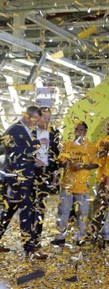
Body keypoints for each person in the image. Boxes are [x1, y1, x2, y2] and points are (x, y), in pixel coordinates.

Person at [0, 106, 47, 258]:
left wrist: (36, 161)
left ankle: (29, 246)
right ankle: (29, 247)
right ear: (28, 116)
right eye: (35, 120)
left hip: (25, 177)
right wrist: (37, 143)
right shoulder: (14, 130)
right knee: (27, 210)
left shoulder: (27, 130)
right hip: (17, 179)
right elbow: (16, 153)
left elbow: (25, 155)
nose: (36, 124)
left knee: (10, 209)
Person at [50, 122, 98, 246]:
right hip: (67, 185)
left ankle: (80, 237)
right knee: (63, 211)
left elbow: (96, 164)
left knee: (82, 212)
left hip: (82, 185)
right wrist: (69, 165)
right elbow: (60, 162)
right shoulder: (67, 145)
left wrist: (82, 166)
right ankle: (60, 236)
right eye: (77, 129)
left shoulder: (91, 147)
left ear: (86, 131)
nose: (79, 131)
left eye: (81, 129)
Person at [34, 106, 61, 246]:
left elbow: (56, 156)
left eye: (49, 119)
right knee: (25, 206)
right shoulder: (30, 132)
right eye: (44, 118)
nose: (47, 121)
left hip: (45, 174)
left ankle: (36, 239)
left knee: (40, 206)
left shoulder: (54, 133)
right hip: (29, 173)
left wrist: (55, 176)